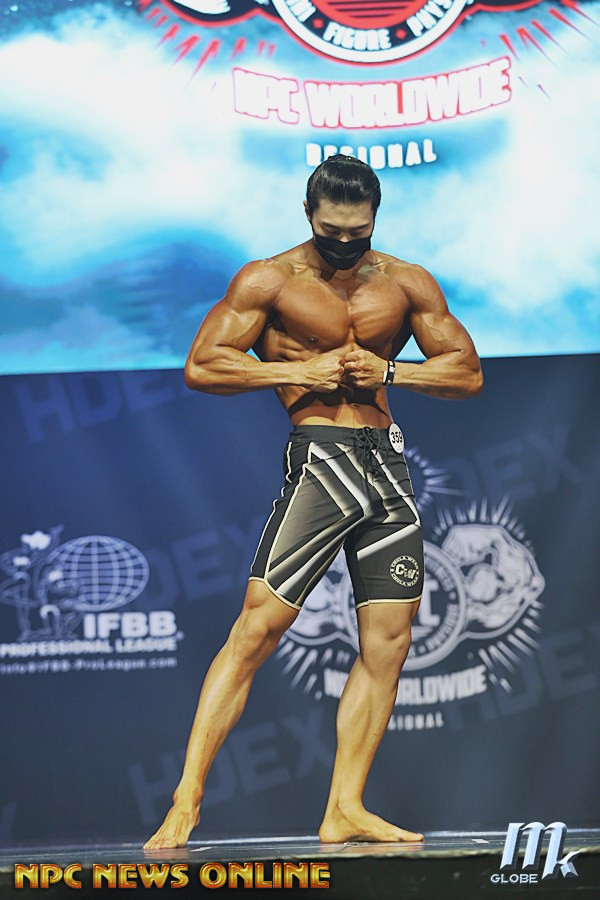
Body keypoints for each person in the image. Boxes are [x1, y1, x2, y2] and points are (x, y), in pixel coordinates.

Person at [143, 154, 483, 849]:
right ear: (308, 215)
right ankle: (186, 800)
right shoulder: (269, 279)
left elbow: (467, 373)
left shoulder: (407, 281)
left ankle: (345, 808)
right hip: (322, 462)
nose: (345, 244)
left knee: (389, 643)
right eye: (332, 232)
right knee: (257, 630)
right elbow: (203, 365)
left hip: (387, 466)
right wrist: (300, 368)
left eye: (358, 233)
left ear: (375, 218)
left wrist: (392, 371)